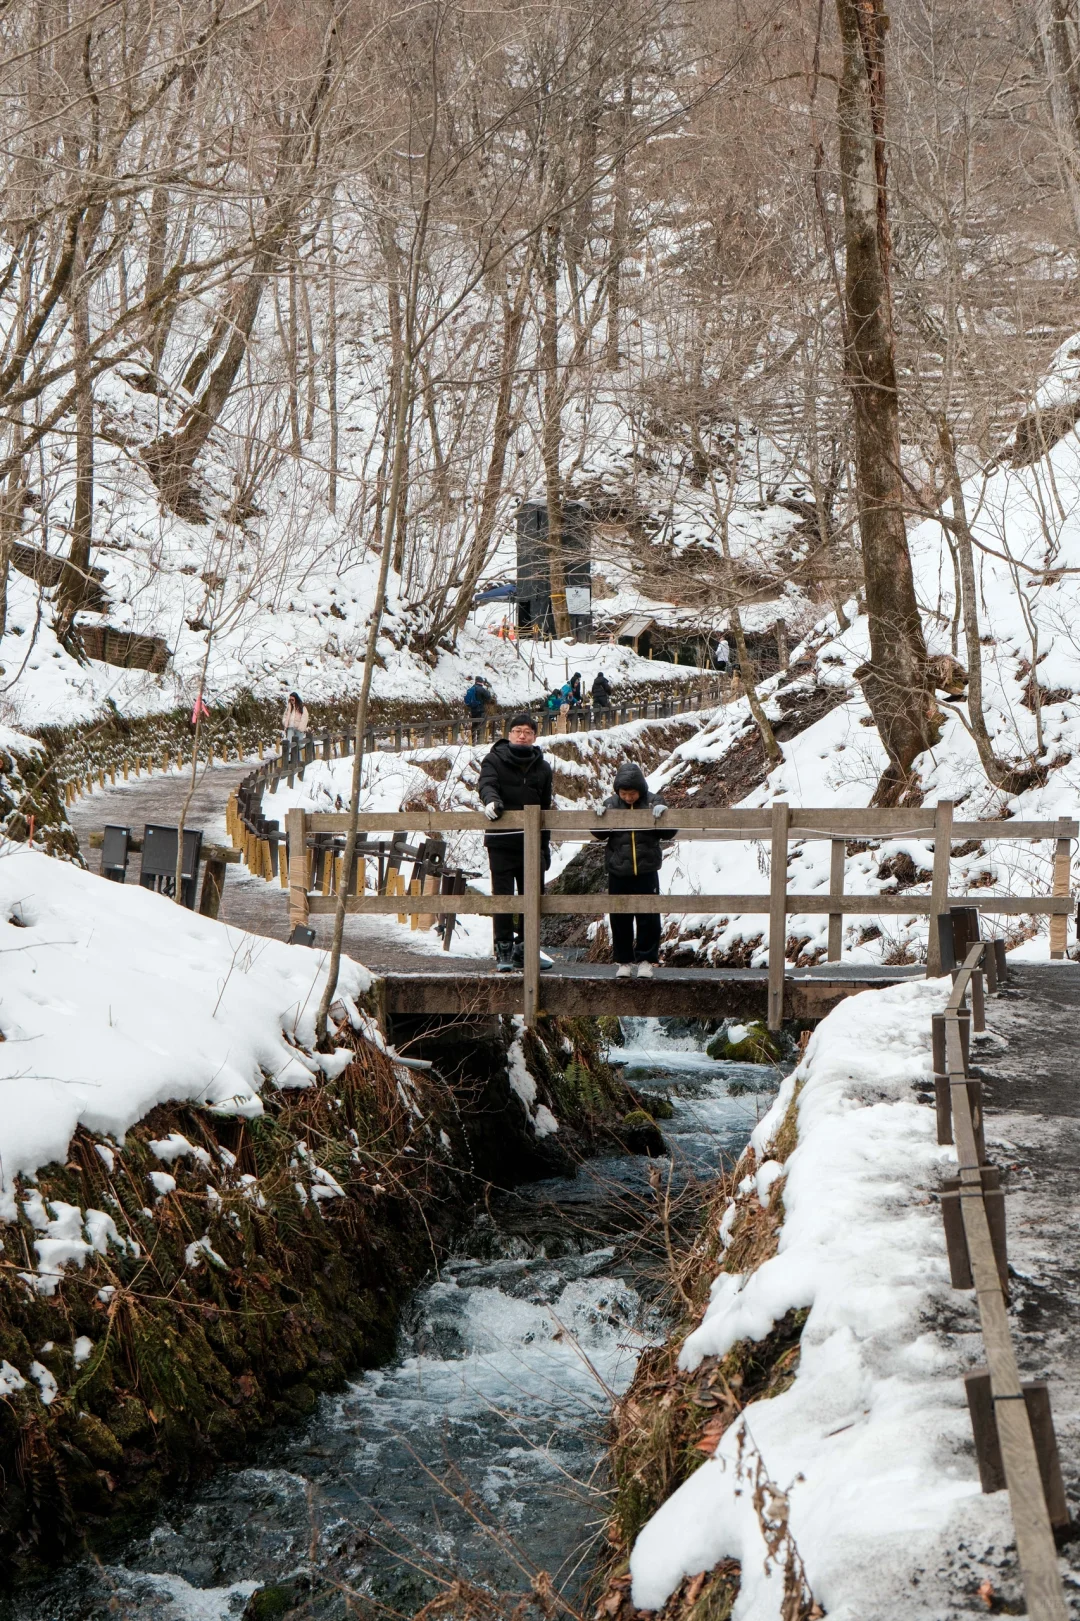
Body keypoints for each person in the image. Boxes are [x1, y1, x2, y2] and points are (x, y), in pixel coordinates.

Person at [478, 714, 554, 972]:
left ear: (535, 737)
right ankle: (504, 952)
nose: (523, 735)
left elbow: (545, 808)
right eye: (518, 731)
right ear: (509, 734)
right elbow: (487, 785)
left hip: (532, 844)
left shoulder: (542, 767)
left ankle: (527, 950)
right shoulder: (493, 760)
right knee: (503, 898)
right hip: (501, 843)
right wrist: (491, 801)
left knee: (531, 898)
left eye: (528, 732)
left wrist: (545, 847)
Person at [593, 763, 674, 978]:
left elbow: (669, 832)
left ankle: (647, 960)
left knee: (648, 916)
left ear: (641, 790)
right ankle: (624, 961)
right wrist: (599, 817)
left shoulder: (654, 801)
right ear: (617, 791)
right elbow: (599, 835)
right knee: (620, 917)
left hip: (647, 869)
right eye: (624, 793)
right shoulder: (610, 803)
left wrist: (664, 816)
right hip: (618, 870)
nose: (628, 797)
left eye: (633, 793)